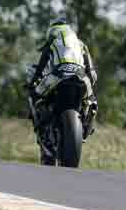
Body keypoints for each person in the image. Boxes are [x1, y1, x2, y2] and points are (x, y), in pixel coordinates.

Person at [27, 17, 98, 163]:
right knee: (92, 102)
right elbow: (91, 70)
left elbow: (41, 66)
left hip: (58, 75)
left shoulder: (53, 42)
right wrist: (90, 84)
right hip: (81, 76)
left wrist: (32, 83)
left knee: (34, 96)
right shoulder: (81, 44)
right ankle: (86, 127)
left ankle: (42, 131)